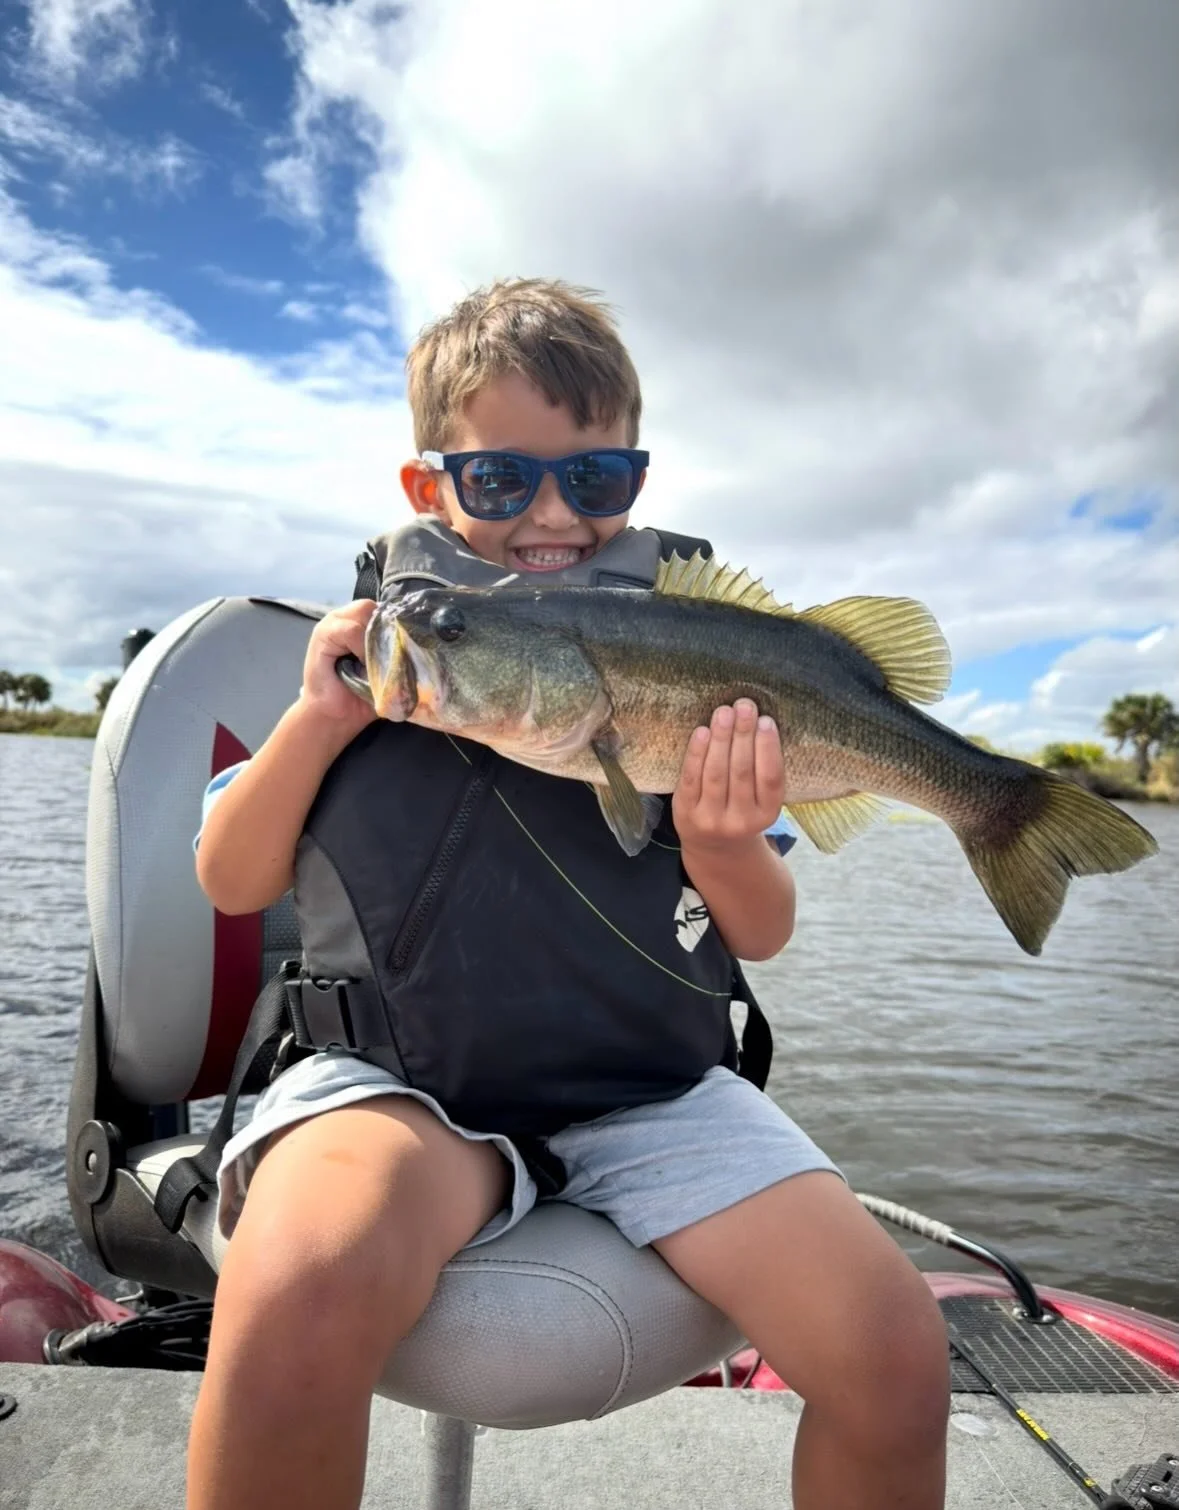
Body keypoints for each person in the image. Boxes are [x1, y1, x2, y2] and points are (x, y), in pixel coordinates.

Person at [187, 278, 949, 1510]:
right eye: (501, 480)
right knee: (295, 1283)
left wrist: (725, 842)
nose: (553, 513)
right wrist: (319, 722)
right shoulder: (362, 668)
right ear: (427, 488)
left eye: (598, 480)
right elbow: (229, 878)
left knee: (897, 1350)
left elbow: (760, 930)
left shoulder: (692, 663)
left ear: (637, 480)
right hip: (399, 1083)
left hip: (651, 1092)